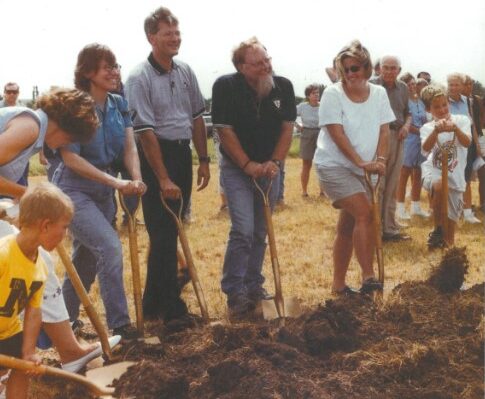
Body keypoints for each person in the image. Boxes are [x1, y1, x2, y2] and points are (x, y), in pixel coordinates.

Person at [53, 44, 145, 341]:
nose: (115, 72)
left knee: (86, 259)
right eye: (107, 67)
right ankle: (121, 327)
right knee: (109, 247)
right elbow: (70, 158)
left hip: (103, 191)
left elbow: (129, 146)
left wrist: (136, 178)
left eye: (116, 66)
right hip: (73, 190)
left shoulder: (118, 104)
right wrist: (115, 182)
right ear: (88, 73)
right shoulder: (76, 107)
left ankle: (64, 322)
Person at [125, 7, 210, 324]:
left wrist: (202, 159)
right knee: (162, 233)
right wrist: (162, 177)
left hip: (181, 153)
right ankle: (172, 308)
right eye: (167, 34)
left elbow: (198, 116)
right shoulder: (138, 78)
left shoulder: (185, 71)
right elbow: (145, 132)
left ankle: (152, 305)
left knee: (171, 231)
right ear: (152, 37)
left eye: (177, 33)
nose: (175, 38)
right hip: (154, 157)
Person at [212, 37, 296, 317]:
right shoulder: (226, 86)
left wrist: (275, 162)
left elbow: (287, 129)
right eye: (258, 63)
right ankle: (235, 290)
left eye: (267, 60)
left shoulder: (282, 86)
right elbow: (225, 131)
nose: (265, 67)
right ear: (241, 67)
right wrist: (247, 164)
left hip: (270, 168)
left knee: (261, 229)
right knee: (243, 229)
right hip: (238, 168)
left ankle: (253, 284)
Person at [314, 40, 394, 295]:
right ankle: (369, 277)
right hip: (334, 165)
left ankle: (338, 285)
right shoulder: (332, 94)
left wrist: (380, 160)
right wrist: (359, 161)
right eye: (345, 69)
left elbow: (384, 130)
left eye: (355, 68)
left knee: (348, 226)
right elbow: (335, 132)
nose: (350, 74)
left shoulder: (379, 93)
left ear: (367, 68)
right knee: (365, 214)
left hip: (366, 169)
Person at [0, 183, 75, 399]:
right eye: (64, 226)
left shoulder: (39, 264)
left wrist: (28, 352)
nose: (66, 233)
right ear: (45, 226)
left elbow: (34, 311)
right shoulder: (4, 255)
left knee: (22, 366)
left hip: (8, 330)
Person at [420, 85, 471, 248]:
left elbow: (467, 142)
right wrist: (435, 132)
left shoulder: (462, 120)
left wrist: (455, 129)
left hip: (455, 176)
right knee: (440, 186)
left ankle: (447, 254)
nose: (442, 109)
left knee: (450, 232)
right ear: (429, 109)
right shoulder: (427, 128)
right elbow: (426, 149)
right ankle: (437, 229)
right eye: (436, 107)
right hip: (433, 170)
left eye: (444, 105)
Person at [370, 56, 412, 242]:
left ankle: (389, 229)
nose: (388, 71)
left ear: (399, 70)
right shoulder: (370, 85)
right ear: (379, 68)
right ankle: (374, 229)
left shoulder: (403, 88)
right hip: (377, 137)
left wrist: (406, 126)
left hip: (398, 136)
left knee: (392, 184)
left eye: (393, 68)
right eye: (385, 67)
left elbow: (408, 113)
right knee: (378, 183)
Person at [447, 73, 481, 224]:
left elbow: (472, 125)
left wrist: (477, 146)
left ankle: (467, 213)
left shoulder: (468, 101)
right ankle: (451, 211)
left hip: (467, 145)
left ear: (462, 86)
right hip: (450, 146)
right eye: (451, 84)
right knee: (450, 179)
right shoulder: (443, 101)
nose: (453, 88)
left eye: (456, 85)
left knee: (466, 179)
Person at [395, 73, 429, 219]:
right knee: (404, 173)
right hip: (408, 140)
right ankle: (400, 208)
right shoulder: (402, 101)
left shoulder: (420, 101)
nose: (412, 87)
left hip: (421, 140)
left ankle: (416, 206)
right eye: (408, 84)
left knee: (419, 173)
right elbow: (403, 122)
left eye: (413, 84)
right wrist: (421, 130)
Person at [462, 75, 485, 220]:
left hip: (479, 137)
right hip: (464, 139)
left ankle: (483, 203)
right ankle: (465, 206)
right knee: (466, 174)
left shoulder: (476, 100)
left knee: (483, 170)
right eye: (466, 83)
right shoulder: (457, 102)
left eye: (470, 83)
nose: (468, 86)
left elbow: (481, 119)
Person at [296, 84, 323, 197]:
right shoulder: (302, 106)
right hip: (306, 133)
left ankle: (323, 191)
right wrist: (298, 126)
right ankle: (304, 191)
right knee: (306, 164)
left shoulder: (323, 106)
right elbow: (289, 116)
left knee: (322, 164)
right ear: (308, 95)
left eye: (317, 93)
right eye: (313, 93)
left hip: (321, 134)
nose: (316, 95)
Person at [0, 83, 29, 189]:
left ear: (18, 93)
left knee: (22, 180)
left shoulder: (22, 108)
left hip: (21, 152)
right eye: (8, 92)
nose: (11, 94)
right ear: (4, 93)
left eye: (14, 92)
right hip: (3, 150)